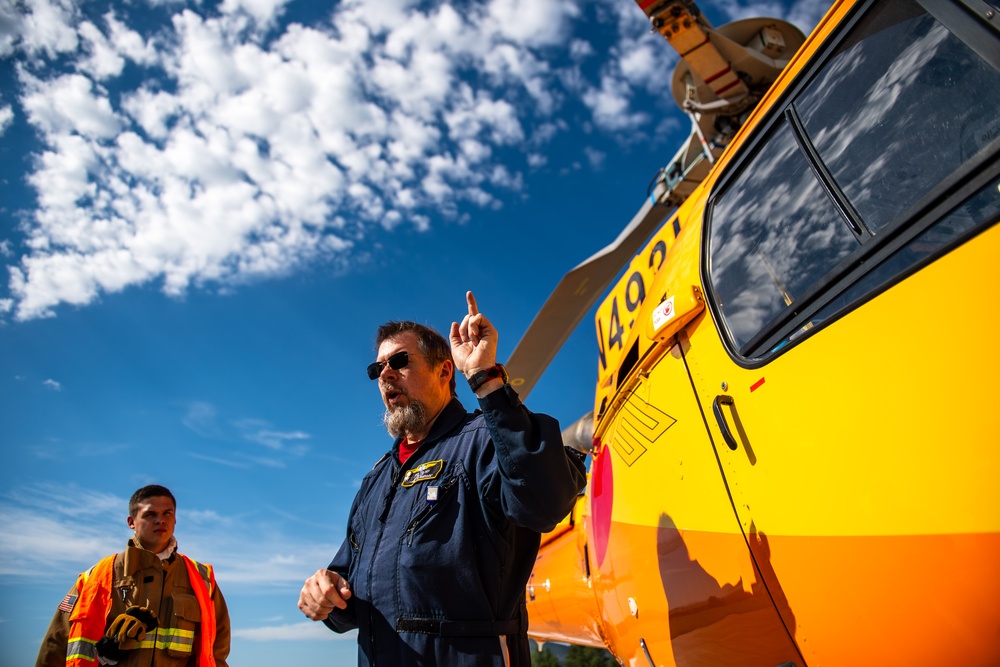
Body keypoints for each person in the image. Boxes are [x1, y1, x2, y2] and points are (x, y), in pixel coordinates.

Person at [298, 291, 587, 666]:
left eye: (399, 362)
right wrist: (325, 594)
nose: (384, 374)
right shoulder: (376, 482)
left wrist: (485, 379)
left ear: (444, 370)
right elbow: (350, 594)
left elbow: (544, 502)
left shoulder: (485, 439)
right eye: (377, 369)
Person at [36, 484, 231, 667]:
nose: (160, 520)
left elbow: (217, 649)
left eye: (167, 513)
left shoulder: (201, 579)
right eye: (150, 514)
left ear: (175, 519)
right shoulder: (95, 577)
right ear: (131, 522)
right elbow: (56, 644)